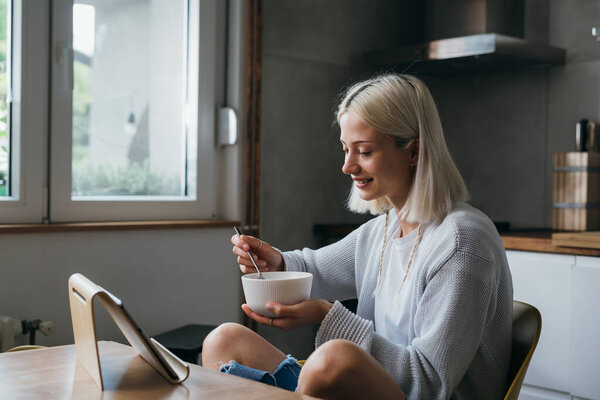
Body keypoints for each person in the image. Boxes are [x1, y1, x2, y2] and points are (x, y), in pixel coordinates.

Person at [202, 74, 513, 400]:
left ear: (414, 151)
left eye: (363, 151)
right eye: (346, 149)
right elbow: (315, 269)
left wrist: (327, 317)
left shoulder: (461, 242)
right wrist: (276, 262)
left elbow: (430, 383)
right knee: (224, 340)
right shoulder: (384, 230)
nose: (348, 167)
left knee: (332, 359)